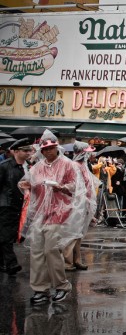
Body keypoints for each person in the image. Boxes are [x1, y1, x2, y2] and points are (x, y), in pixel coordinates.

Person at [18, 130, 87, 304]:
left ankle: (62, 286)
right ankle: (40, 289)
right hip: (41, 212)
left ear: (57, 148)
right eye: (45, 149)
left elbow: (75, 187)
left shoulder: (67, 164)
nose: (48, 151)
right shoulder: (38, 167)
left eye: (52, 148)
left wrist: (61, 187)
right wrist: (27, 185)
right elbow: (30, 184)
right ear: (42, 151)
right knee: (37, 251)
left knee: (51, 250)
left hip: (59, 211)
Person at [63, 141, 99, 272]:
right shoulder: (73, 166)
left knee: (79, 234)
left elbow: (88, 184)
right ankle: (67, 262)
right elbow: (75, 186)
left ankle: (77, 259)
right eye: (87, 153)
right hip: (75, 204)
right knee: (72, 233)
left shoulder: (83, 165)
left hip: (84, 204)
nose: (89, 155)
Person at [0, 139, 33, 275]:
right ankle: (11, 263)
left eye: (29, 150)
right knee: (6, 236)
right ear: (16, 151)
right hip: (6, 206)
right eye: (25, 151)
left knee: (13, 235)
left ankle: (3, 263)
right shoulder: (4, 166)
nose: (28, 153)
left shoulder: (28, 167)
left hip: (21, 207)